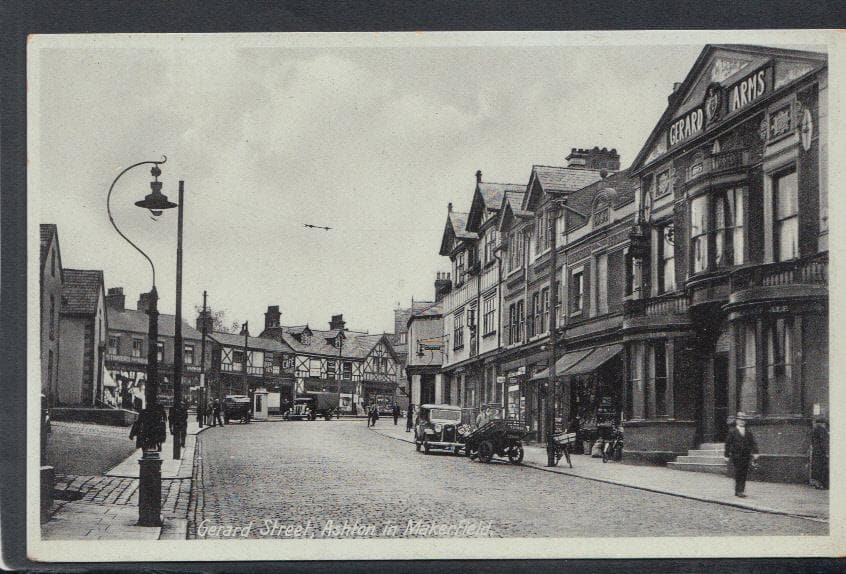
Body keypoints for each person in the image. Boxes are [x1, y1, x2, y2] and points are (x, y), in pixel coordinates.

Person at [724, 412, 759, 498]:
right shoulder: (732, 431)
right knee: (738, 472)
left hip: (746, 455)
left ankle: (740, 490)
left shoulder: (748, 431)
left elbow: (753, 442)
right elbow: (727, 444)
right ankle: (738, 490)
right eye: (740, 420)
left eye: (743, 420)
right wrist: (726, 455)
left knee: (744, 473)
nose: (742, 422)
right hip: (736, 455)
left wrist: (756, 452)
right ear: (737, 421)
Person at [810, 415, 829, 489]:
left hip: (816, 452)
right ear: (822, 423)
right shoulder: (822, 430)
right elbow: (824, 442)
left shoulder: (814, 430)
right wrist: (826, 452)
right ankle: (822, 485)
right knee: (823, 468)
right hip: (821, 452)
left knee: (817, 468)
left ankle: (818, 484)